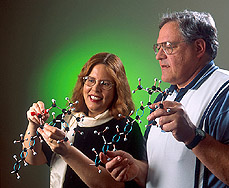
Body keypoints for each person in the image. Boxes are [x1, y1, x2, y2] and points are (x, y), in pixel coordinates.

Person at [100, 10, 229, 188]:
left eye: (169, 46)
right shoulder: (163, 98)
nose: (159, 56)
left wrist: (193, 136)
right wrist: (136, 169)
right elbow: (160, 171)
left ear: (199, 48)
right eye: (158, 47)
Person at [24, 52, 146, 188]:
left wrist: (67, 152)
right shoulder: (66, 120)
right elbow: (33, 158)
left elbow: (119, 186)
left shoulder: (127, 128)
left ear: (117, 89)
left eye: (105, 84)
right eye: (91, 80)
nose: (95, 89)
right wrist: (33, 125)